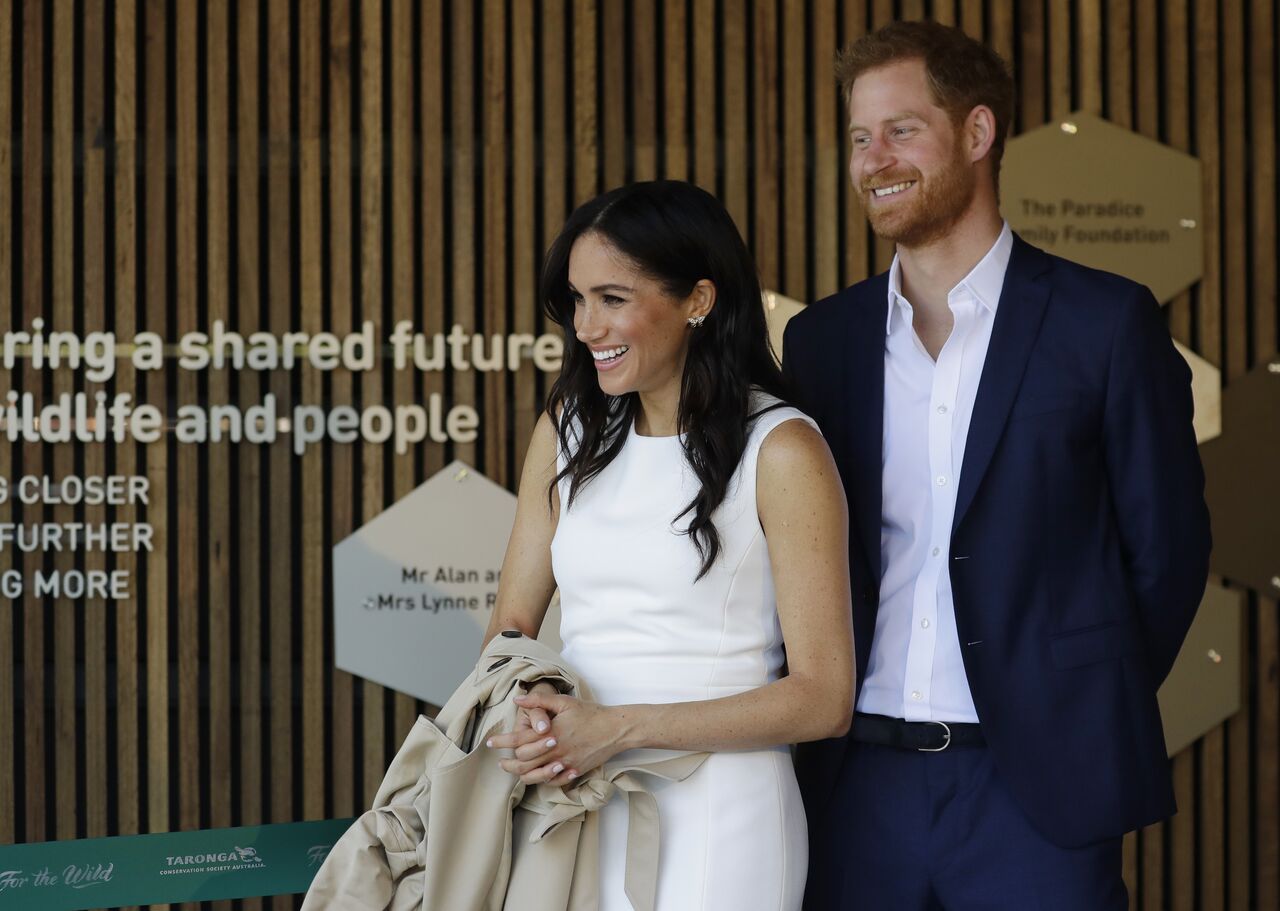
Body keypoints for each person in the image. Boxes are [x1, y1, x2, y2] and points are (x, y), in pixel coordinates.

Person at [783, 20, 1211, 910]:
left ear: (978, 134)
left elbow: (1167, 555)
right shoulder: (820, 343)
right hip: (858, 787)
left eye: (901, 129)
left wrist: (1073, 703)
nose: (873, 159)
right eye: (859, 137)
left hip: (1037, 794)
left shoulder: (1105, 323)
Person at [482, 180, 854, 910]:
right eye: (577, 300)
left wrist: (616, 730)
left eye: (613, 298)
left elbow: (824, 698)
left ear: (699, 301)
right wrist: (529, 706)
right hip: (574, 806)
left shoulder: (781, 449)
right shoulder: (567, 432)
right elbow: (510, 630)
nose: (588, 326)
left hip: (723, 823)